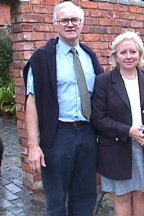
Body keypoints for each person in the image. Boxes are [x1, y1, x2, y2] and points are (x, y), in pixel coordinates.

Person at [23, 2, 103, 215]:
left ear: (82, 23)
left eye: (74, 20)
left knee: (86, 194)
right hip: (57, 136)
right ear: (55, 24)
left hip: (87, 134)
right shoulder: (41, 58)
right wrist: (33, 146)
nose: (70, 24)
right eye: (64, 20)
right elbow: (31, 102)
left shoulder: (89, 56)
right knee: (56, 198)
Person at [91, 31, 144, 216]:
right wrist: (128, 131)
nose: (128, 56)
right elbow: (98, 118)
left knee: (141, 194)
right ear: (115, 55)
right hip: (117, 148)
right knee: (123, 195)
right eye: (123, 52)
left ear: (140, 54)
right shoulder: (104, 81)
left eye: (133, 51)